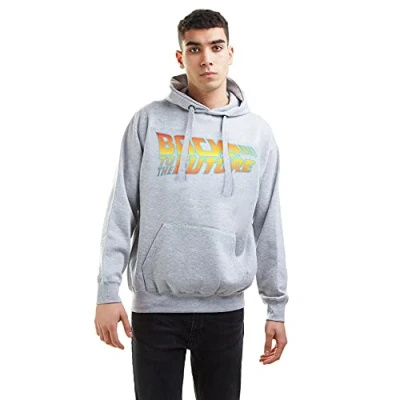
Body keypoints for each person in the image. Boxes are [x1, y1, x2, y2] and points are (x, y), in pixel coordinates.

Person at [94, 8, 288, 400]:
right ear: (180, 57)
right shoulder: (148, 122)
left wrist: (276, 307)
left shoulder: (257, 133)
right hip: (156, 310)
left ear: (230, 53)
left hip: (224, 310)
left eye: (216, 47)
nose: (206, 58)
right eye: (194, 48)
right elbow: (121, 211)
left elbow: (267, 222)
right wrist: (107, 291)